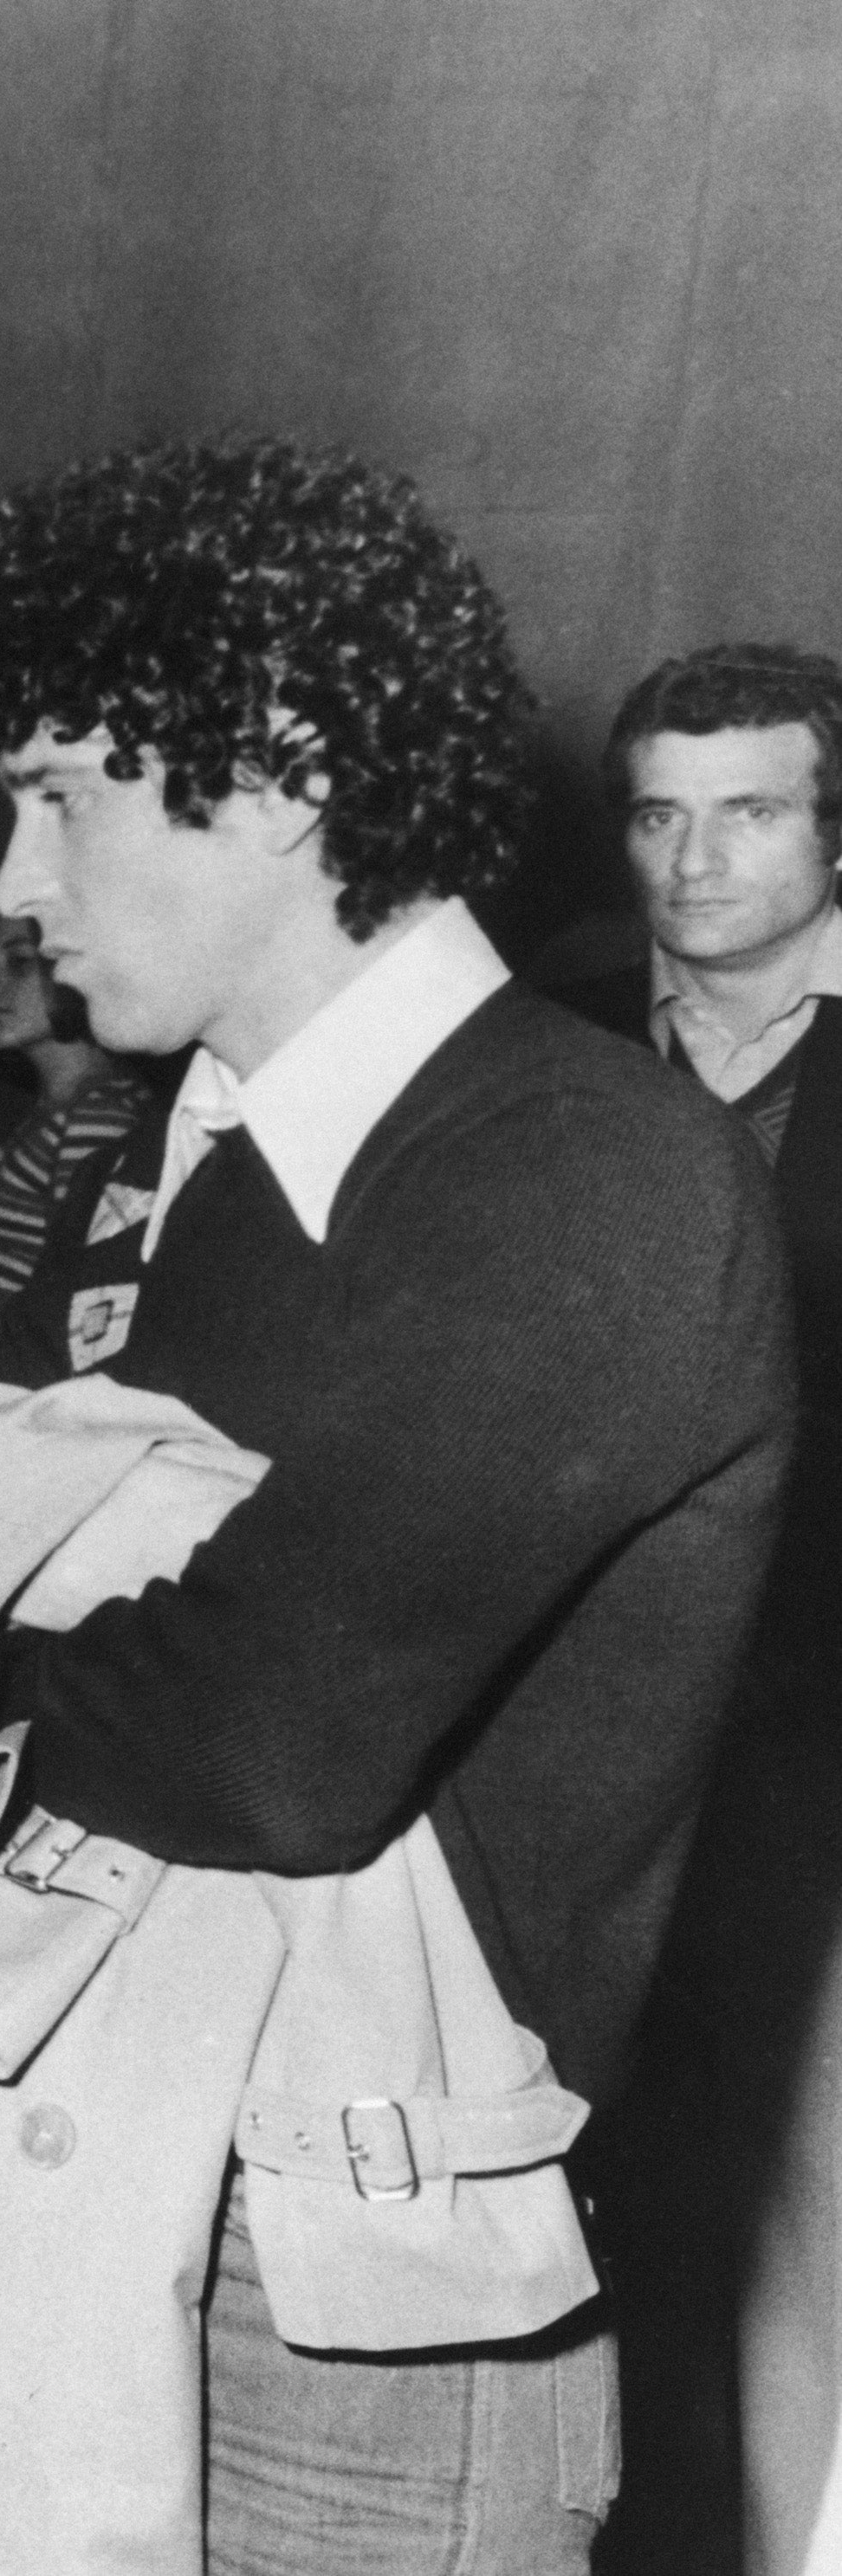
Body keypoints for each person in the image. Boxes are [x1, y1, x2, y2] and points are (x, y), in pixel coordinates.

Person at [0, 435, 793, 2566]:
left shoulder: (583, 1174)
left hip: (369, 2290)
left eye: (60, 793)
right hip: (132, 2144)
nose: (14, 886)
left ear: (288, 760)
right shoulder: (232, 1161)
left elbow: (269, 1739)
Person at [555, 641, 842, 2572]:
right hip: (584, 1740)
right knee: (580, 2202)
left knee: (802, 2224)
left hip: (822, 1747)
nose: (696, 855)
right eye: (659, 809)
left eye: (749, 808)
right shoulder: (554, 1049)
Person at [0, 910, 149, 1354]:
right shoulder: (52, 1114)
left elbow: (71, 1287)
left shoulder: (98, 1117)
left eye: (19, 963)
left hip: (22, 1378)